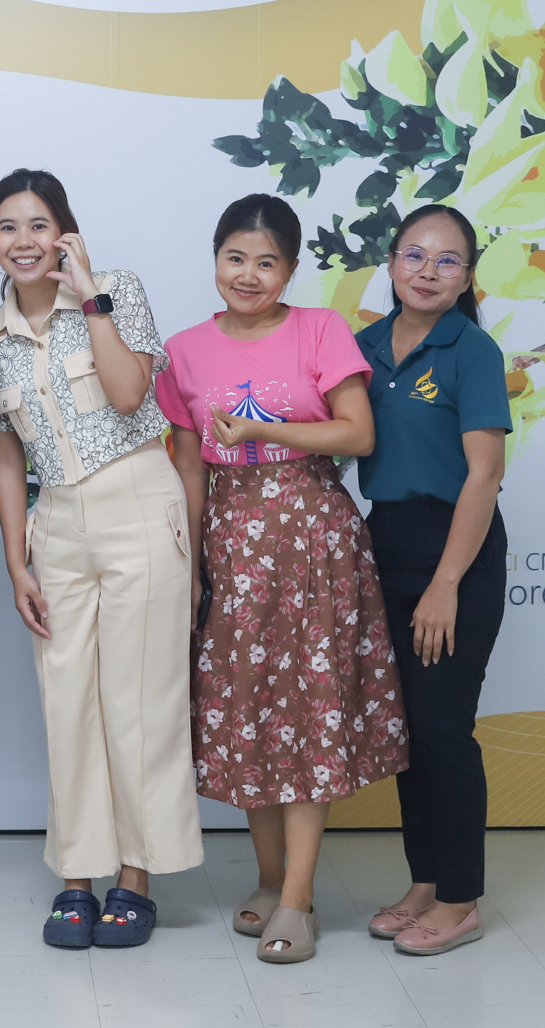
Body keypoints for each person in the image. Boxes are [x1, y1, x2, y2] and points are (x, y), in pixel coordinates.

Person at [156, 193, 407, 965]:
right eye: (235, 257)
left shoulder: (320, 328)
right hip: (231, 544)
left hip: (311, 540)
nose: (249, 274)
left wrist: (263, 428)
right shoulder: (185, 350)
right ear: (216, 258)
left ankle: (298, 898)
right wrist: (191, 563)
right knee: (250, 712)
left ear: (291, 270)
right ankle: (269, 879)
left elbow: (357, 432)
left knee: (305, 712)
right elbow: (190, 466)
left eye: (266, 262)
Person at [0, 169, 203, 950]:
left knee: (138, 702)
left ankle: (135, 879)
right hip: (58, 523)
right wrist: (17, 560)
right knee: (66, 702)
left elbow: (130, 392)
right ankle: (78, 875)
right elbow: (6, 456)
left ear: (66, 232)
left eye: (39, 225)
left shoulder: (116, 290)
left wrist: (90, 294)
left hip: (138, 499)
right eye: (8, 227)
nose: (24, 241)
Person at [355, 204, 512, 957]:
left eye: (447, 260)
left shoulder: (471, 351)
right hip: (385, 540)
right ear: (391, 264)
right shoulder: (362, 348)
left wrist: (446, 583)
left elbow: (484, 474)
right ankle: (425, 881)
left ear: (468, 276)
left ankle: (460, 898)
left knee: (444, 728)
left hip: (457, 548)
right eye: (414, 254)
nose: (427, 270)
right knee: (407, 730)